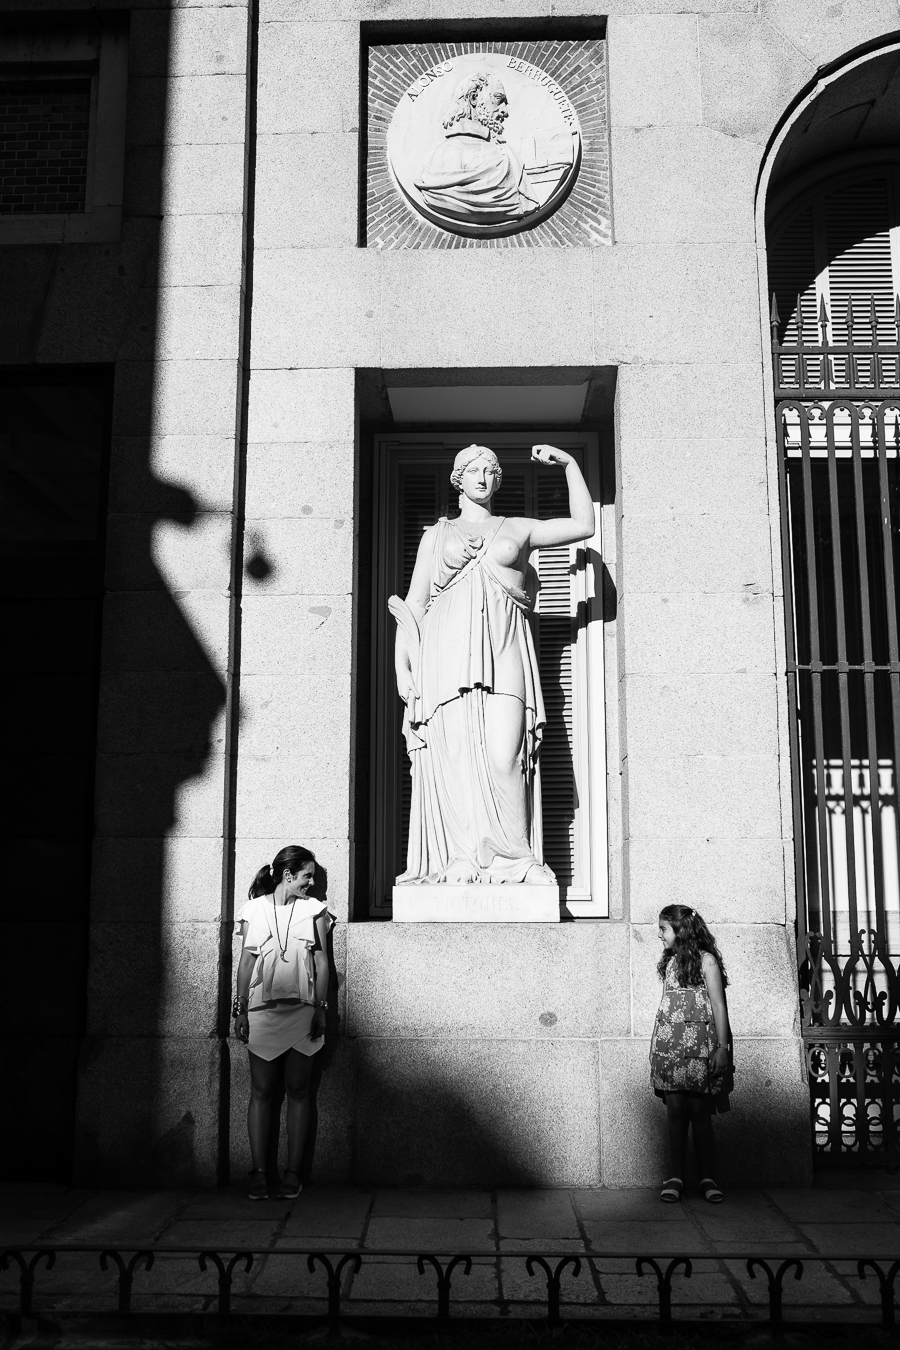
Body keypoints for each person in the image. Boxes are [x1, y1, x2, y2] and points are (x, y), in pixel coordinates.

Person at [390, 443, 595, 886]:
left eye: (491, 471)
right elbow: (415, 603)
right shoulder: (436, 535)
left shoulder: (516, 528)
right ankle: (462, 858)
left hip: (504, 650)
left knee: (506, 756)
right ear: (458, 479)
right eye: (474, 471)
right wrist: (402, 668)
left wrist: (570, 465)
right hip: (445, 656)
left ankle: (516, 858)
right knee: (458, 756)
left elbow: (583, 525)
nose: (483, 478)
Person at [232, 845, 332, 1201]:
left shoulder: (315, 911)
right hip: (262, 1011)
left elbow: (322, 963)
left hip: (303, 1010)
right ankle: (259, 1172)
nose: (312, 883)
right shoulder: (254, 910)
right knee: (261, 1090)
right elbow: (245, 964)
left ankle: (293, 1172)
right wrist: (239, 1009)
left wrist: (321, 1008)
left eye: (313, 878)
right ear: (288, 876)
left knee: (299, 1089)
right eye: (307, 876)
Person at [650, 904, 733, 1204]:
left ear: (680, 930)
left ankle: (707, 1177)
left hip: (699, 1047)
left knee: (699, 1111)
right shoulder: (671, 962)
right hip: (670, 1046)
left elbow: (719, 1006)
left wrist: (721, 1049)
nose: (659, 935)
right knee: (674, 1110)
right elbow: (664, 1006)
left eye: (663, 929)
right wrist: (654, 1046)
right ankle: (675, 1176)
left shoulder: (706, 961)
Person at [415, 71, 540, 227]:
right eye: (498, 100)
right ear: (474, 98)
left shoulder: (505, 152)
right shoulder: (441, 155)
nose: (505, 112)